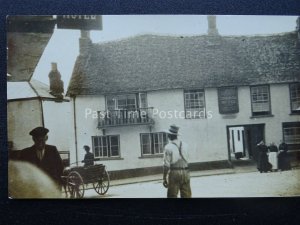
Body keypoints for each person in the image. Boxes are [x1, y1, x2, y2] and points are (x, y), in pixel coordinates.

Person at [163, 124, 191, 198]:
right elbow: (188, 159)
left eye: (168, 134)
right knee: (187, 196)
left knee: (172, 196)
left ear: (169, 135)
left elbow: (166, 165)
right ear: (176, 135)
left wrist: (164, 178)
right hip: (186, 171)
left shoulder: (168, 147)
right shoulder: (186, 145)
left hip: (174, 173)